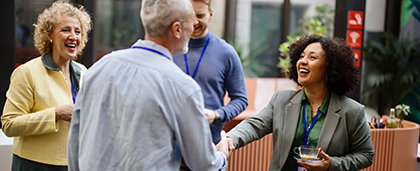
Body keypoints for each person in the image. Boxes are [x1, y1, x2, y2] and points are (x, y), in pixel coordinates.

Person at [67, 0, 230, 170]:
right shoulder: (182, 87)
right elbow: (204, 164)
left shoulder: (98, 69)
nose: (194, 27)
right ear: (177, 29)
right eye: (191, 21)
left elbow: (75, 143)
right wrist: (222, 156)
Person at [226, 34, 375, 171]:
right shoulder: (281, 100)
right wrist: (228, 140)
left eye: (312, 57)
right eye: (301, 56)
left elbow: (366, 155)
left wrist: (332, 164)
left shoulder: (352, 111)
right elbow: (253, 125)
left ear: (330, 68)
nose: (303, 61)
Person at [1, 1, 91, 170]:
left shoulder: (83, 72)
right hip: (33, 166)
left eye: (78, 31)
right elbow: (9, 124)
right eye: (65, 30)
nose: (73, 36)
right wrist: (56, 114)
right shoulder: (27, 72)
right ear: (49, 34)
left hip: (73, 164)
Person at [173, 0, 248, 144]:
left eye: (200, 16)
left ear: (211, 15)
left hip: (210, 143)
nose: (194, 22)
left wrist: (216, 115)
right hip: (170, 143)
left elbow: (241, 99)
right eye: (190, 15)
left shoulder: (226, 53)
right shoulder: (169, 47)